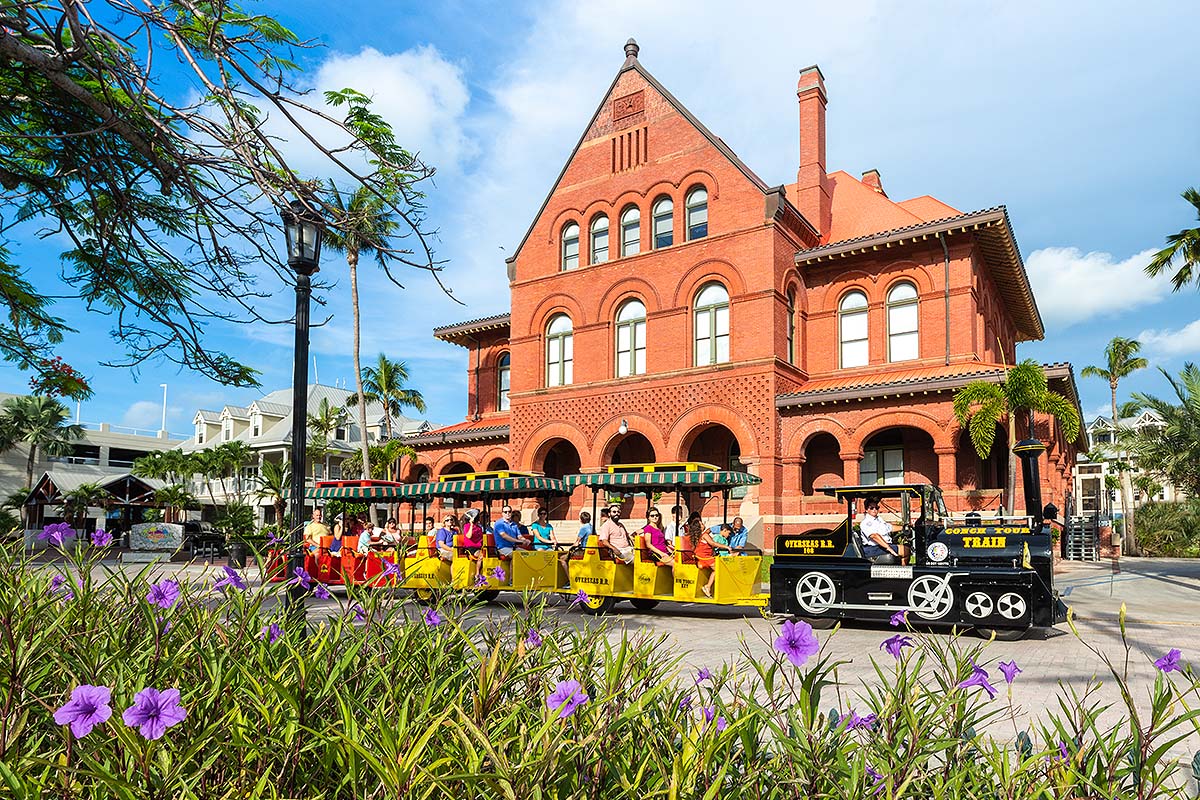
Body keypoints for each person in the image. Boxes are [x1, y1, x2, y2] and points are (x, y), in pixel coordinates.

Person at [859, 498, 908, 563]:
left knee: (906, 548)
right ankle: (903, 572)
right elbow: (874, 536)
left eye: (876, 507)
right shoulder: (866, 522)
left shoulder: (878, 520)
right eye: (871, 508)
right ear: (866, 509)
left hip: (881, 547)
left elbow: (890, 528)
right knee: (905, 550)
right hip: (873, 548)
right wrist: (889, 548)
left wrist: (904, 528)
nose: (874, 510)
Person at [691, 519, 730, 598]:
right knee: (719, 568)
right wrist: (726, 547)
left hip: (703, 557)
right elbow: (712, 543)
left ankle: (713, 587)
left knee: (720, 566)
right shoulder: (705, 535)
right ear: (699, 527)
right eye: (701, 524)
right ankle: (708, 586)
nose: (703, 524)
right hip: (705, 558)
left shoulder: (698, 536)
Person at [460, 508, 485, 582]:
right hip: (471, 547)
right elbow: (468, 536)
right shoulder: (467, 526)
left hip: (480, 546)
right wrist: (471, 525)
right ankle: (477, 575)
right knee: (481, 556)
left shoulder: (479, 527)